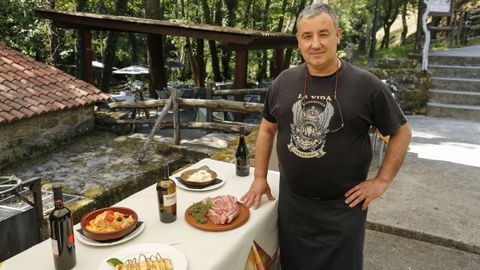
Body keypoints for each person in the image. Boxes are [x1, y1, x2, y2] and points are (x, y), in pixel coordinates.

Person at [241, 3, 412, 270]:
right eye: (307, 36)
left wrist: (382, 180)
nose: (315, 44)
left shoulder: (367, 86)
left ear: (337, 36)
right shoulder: (283, 83)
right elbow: (266, 128)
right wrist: (260, 177)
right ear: (299, 40)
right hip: (293, 207)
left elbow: (401, 131)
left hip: (343, 211)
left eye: (323, 34)